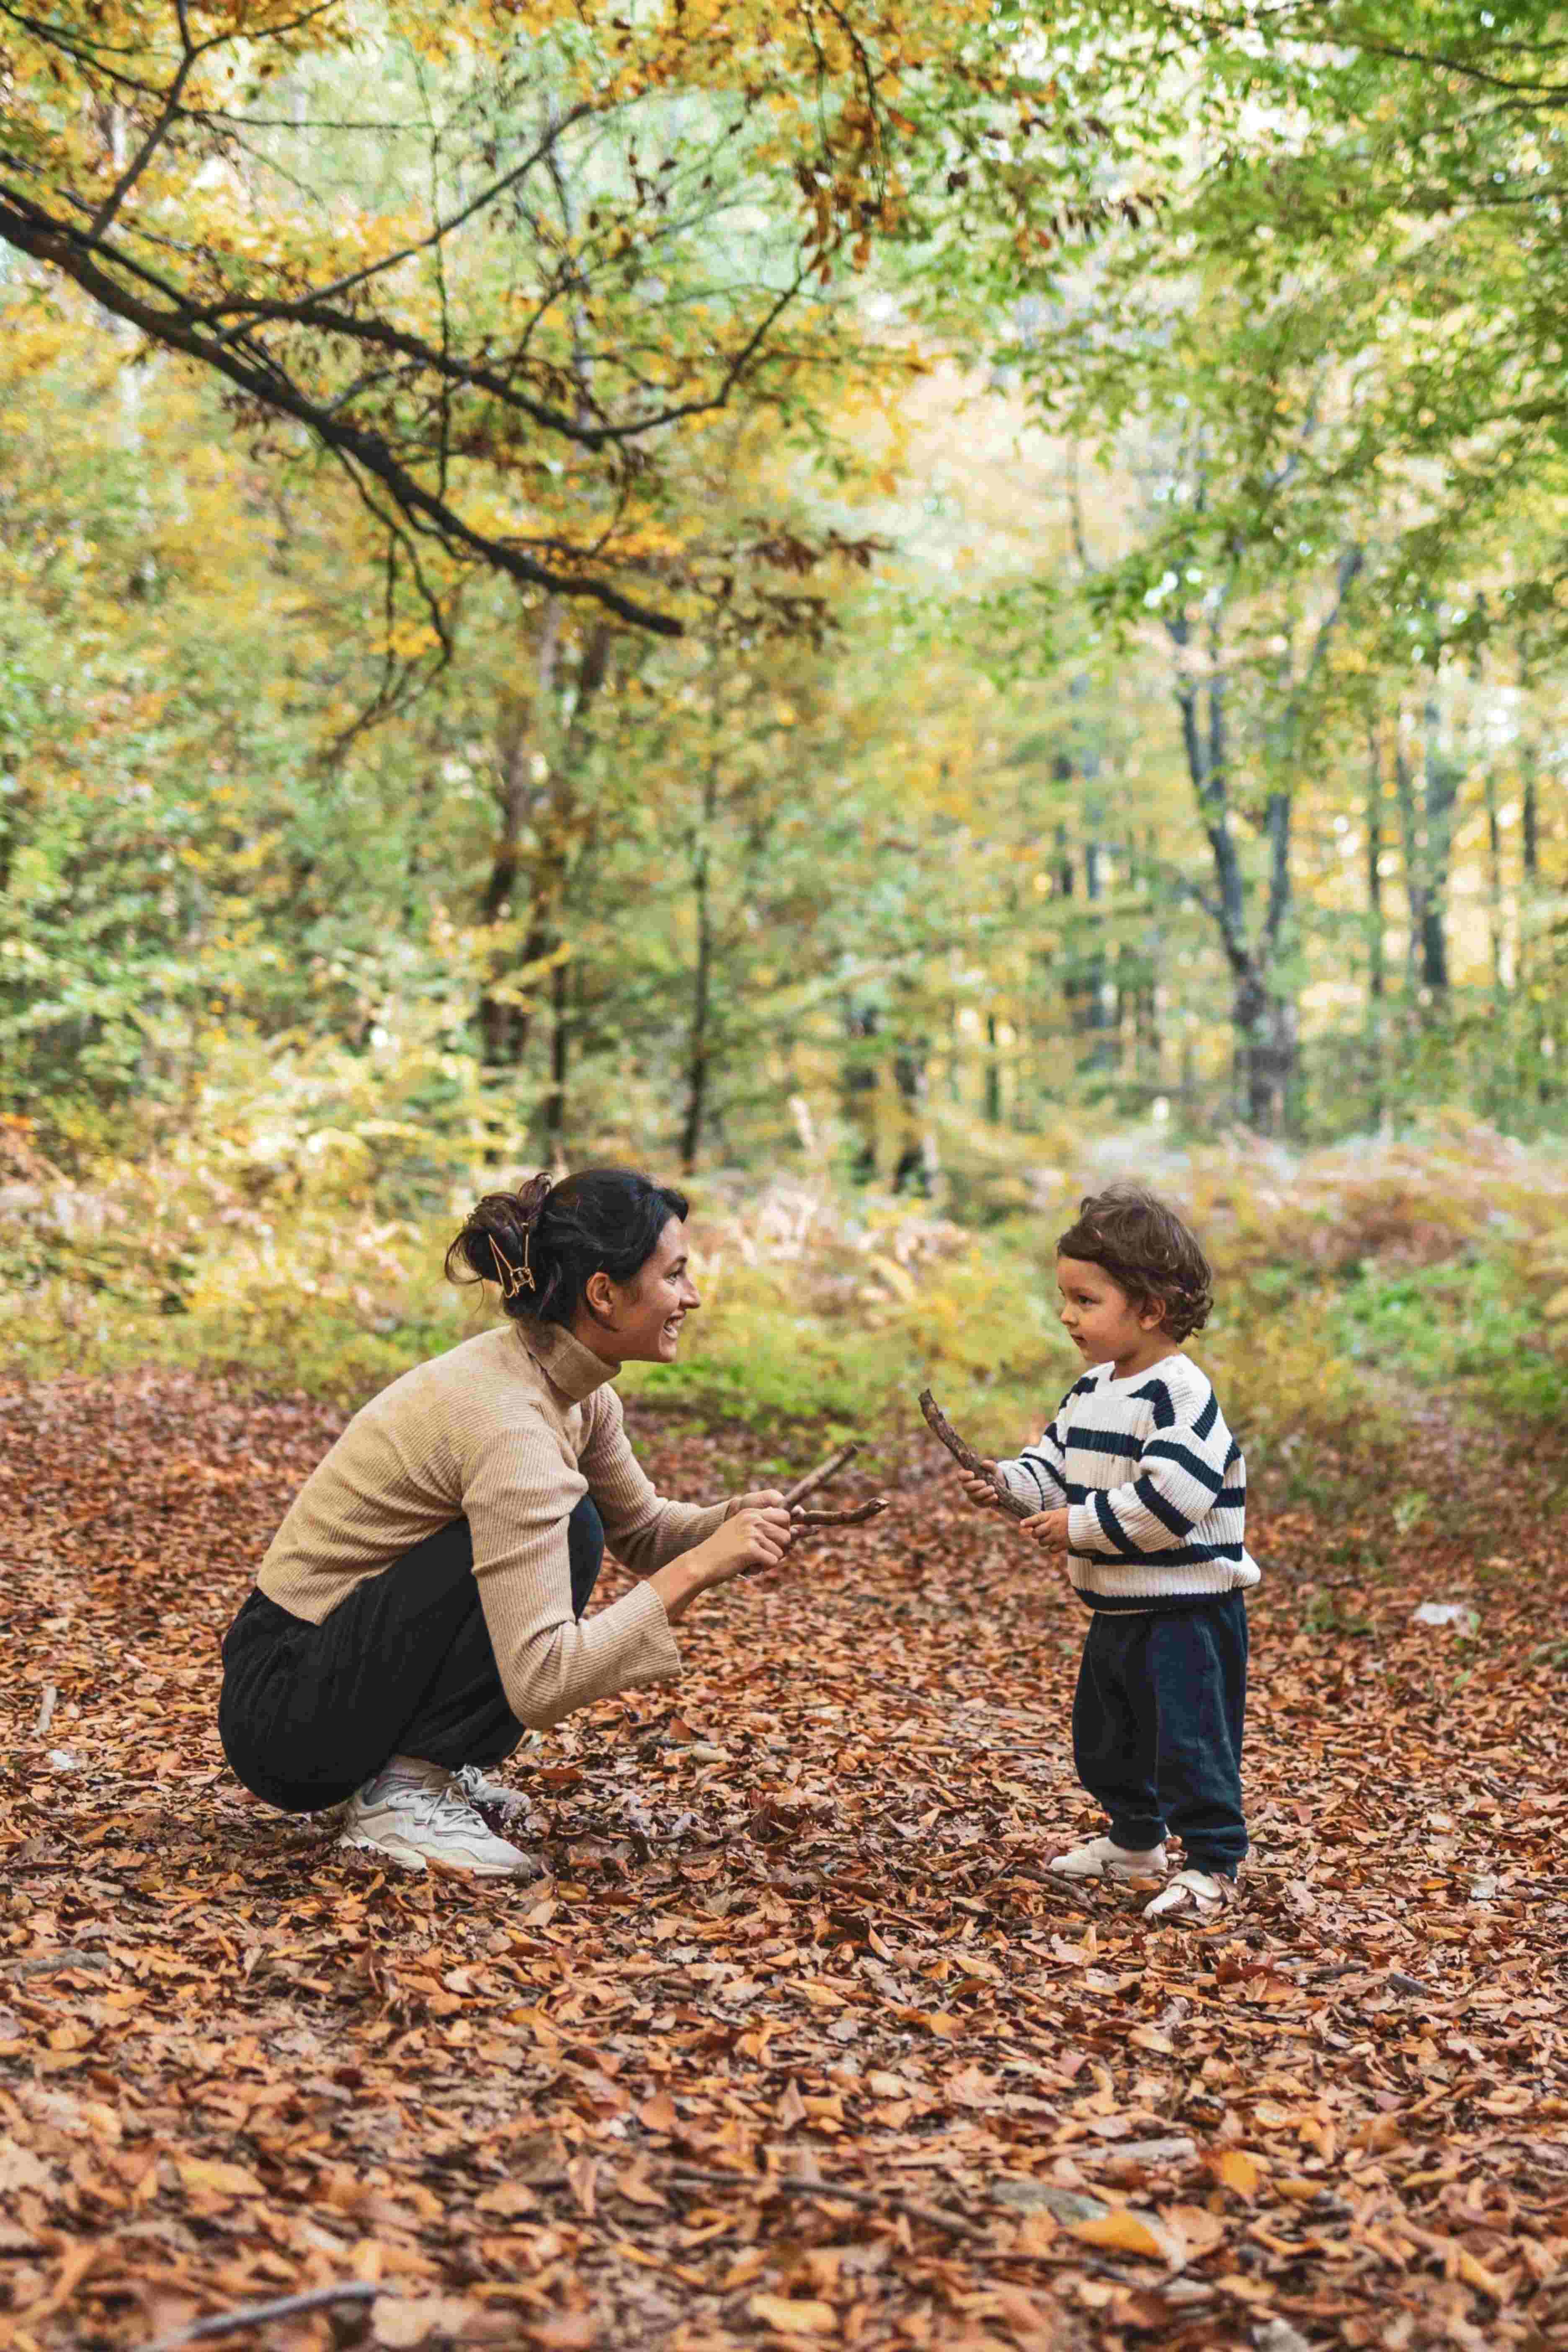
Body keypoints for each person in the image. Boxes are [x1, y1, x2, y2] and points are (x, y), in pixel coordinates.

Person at [218, 1168, 794, 1877]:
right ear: (604, 1294)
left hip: (325, 1668)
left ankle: (411, 1768)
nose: (692, 1298)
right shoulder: (512, 1425)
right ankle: (403, 1792)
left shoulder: (567, 1387)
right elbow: (544, 1680)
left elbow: (642, 1529)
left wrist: (730, 1523)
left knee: (577, 1522)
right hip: (286, 1707)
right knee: (572, 1524)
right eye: (675, 1276)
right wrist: (702, 1565)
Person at [952, 1184, 1259, 1921]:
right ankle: (1135, 1842)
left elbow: (1173, 1505)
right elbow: (1054, 1467)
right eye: (1066, 1298)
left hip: (1188, 1611)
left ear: (1149, 1309)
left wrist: (1078, 1526)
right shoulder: (1091, 1389)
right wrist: (1009, 1485)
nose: (1067, 1316)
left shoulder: (1180, 1396)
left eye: (1085, 1301)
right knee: (1106, 1736)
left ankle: (1214, 1863)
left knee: (1189, 1741)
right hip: (1119, 1607)